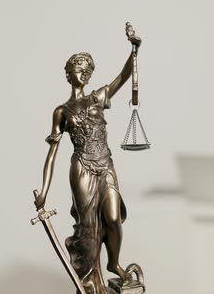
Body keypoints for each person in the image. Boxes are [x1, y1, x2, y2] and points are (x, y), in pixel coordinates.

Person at [34, 26, 142, 293]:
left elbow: (124, 75)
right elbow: (52, 154)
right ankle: (93, 282)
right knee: (89, 226)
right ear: (68, 74)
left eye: (87, 69)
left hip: (105, 165)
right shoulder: (62, 111)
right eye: (78, 68)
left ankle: (114, 265)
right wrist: (44, 192)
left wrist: (134, 48)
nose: (83, 72)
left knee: (113, 217)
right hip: (81, 168)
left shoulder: (99, 97)